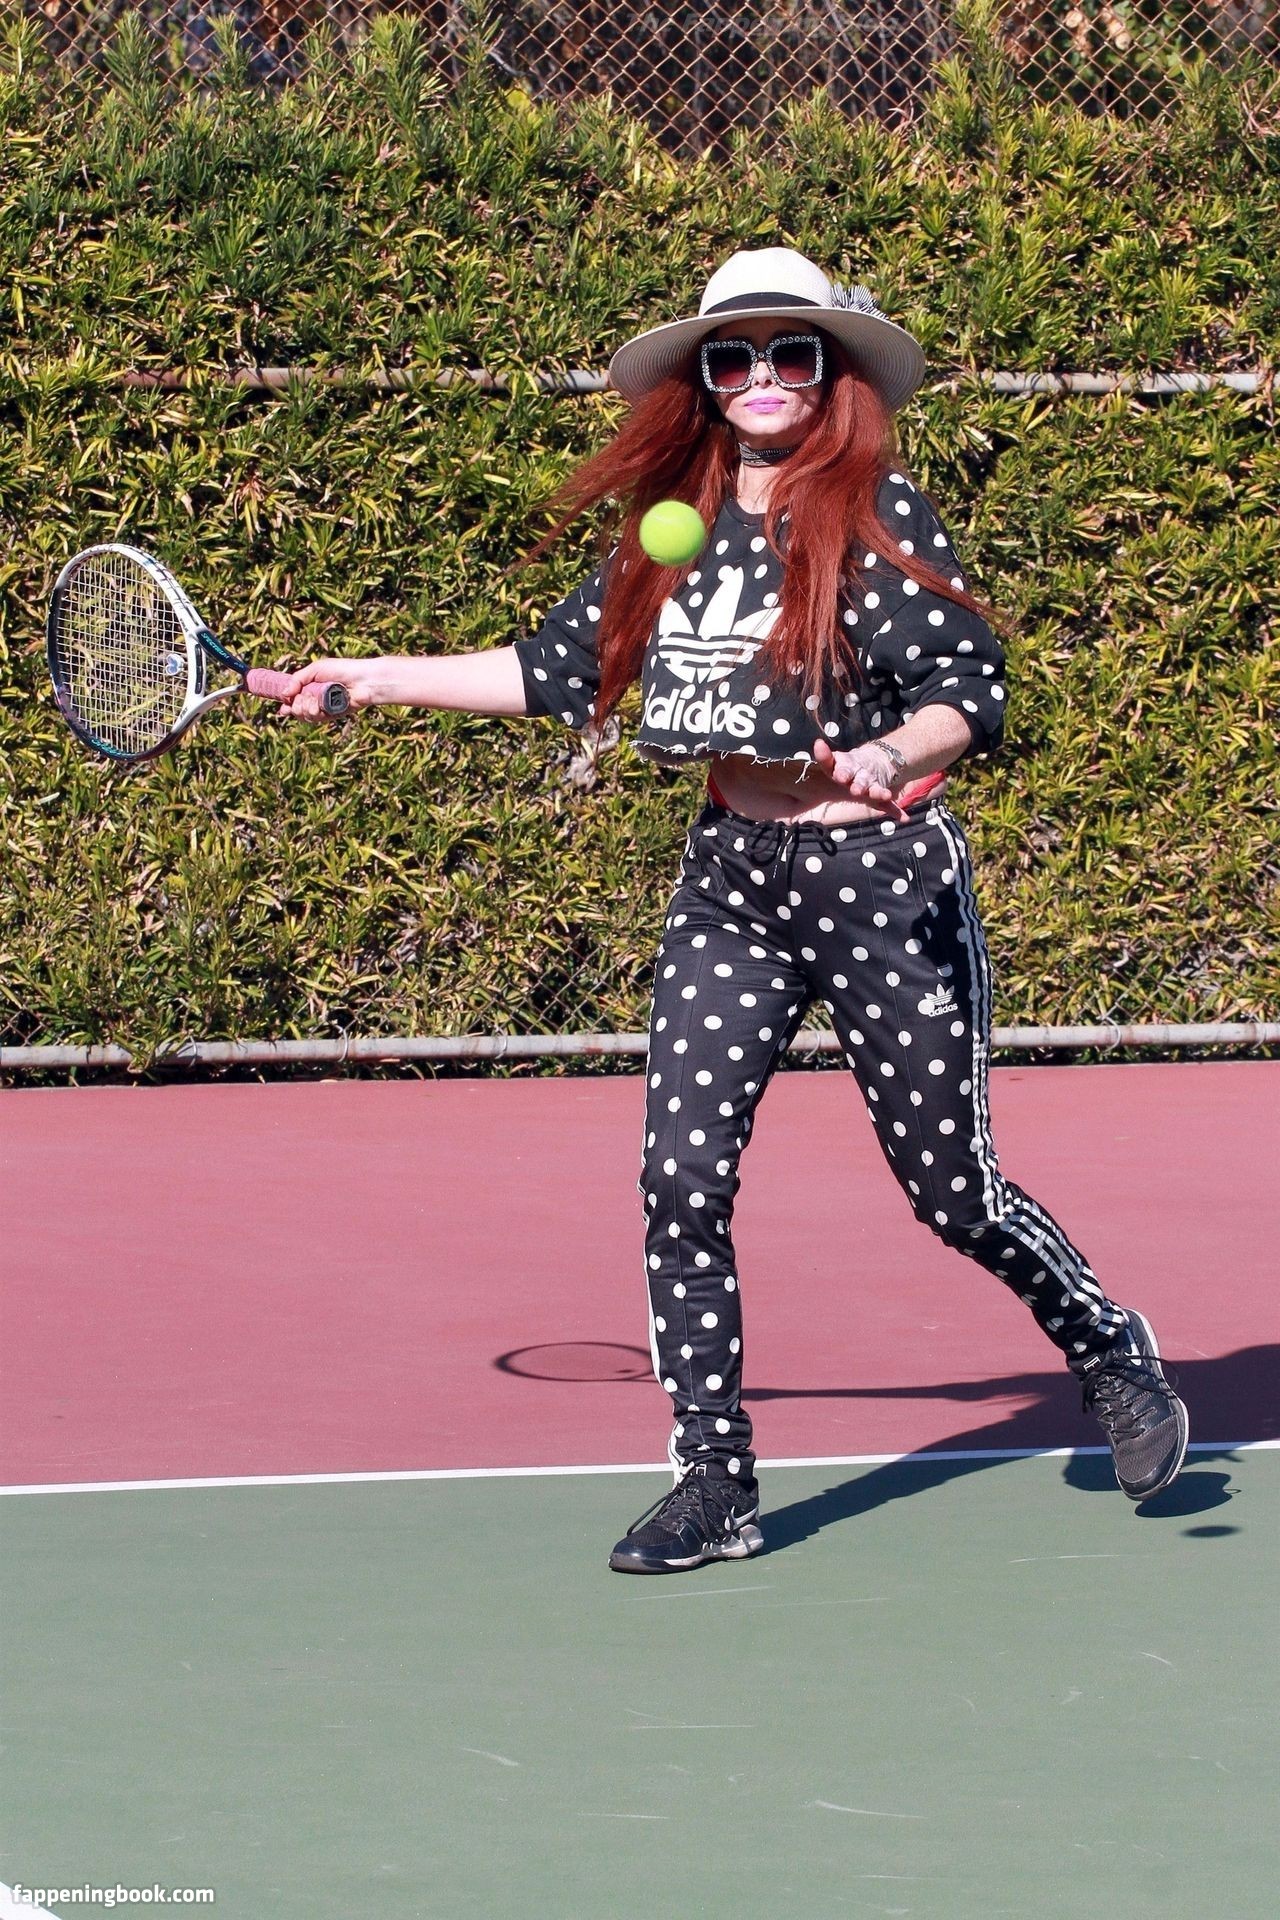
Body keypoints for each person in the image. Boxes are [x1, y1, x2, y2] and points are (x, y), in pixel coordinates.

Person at [274, 247, 1189, 1573]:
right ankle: (716, 1481)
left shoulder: (874, 513)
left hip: (881, 885)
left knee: (952, 1192)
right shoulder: (676, 527)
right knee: (681, 1181)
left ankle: (1107, 1348)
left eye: (790, 351)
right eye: (732, 356)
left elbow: (965, 689)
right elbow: (556, 669)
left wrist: (887, 755)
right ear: (701, 380)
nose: (762, 376)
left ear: (833, 373)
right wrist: (371, 675)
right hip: (735, 887)